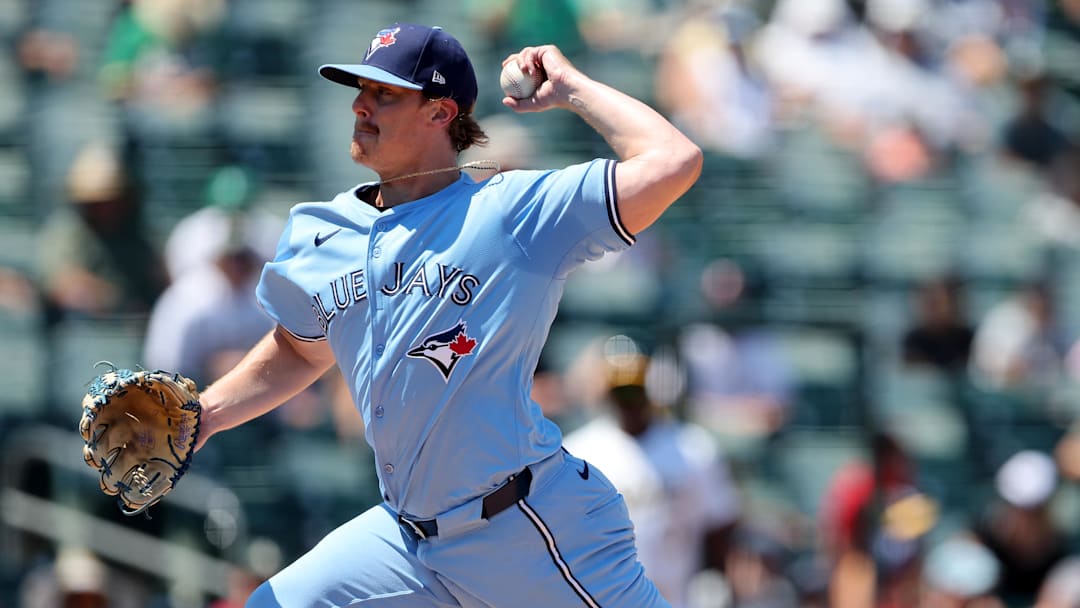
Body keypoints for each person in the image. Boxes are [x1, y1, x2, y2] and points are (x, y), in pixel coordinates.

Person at [191, 22, 702, 607]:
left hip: (524, 528)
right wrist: (206, 414)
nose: (360, 104)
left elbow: (674, 160)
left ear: (440, 113)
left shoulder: (511, 212)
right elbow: (301, 347)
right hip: (406, 542)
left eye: (385, 93)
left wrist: (572, 88)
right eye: (359, 88)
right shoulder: (321, 232)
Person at [562, 340, 742, 608]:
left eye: (635, 392)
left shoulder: (693, 449)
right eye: (622, 393)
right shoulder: (579, 453)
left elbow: (718, 529)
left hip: (674, 596)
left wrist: (719, 587)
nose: (629, 403)